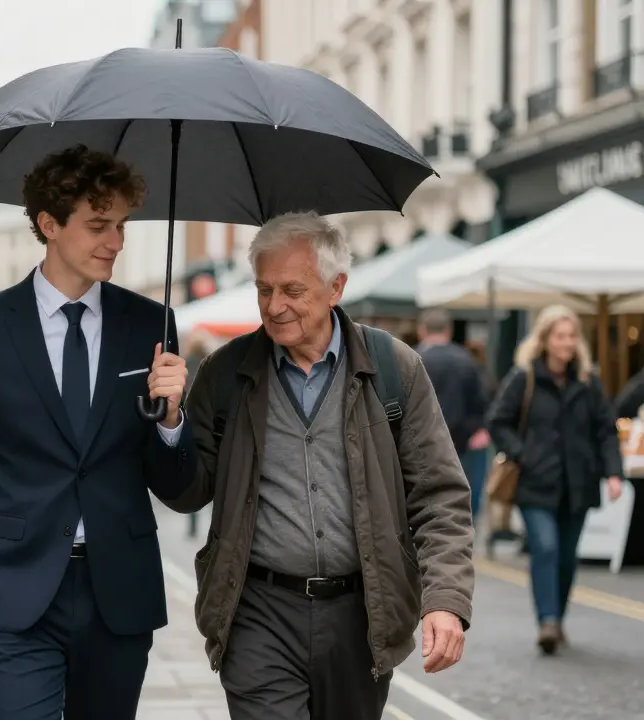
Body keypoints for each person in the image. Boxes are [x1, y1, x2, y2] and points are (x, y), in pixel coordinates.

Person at [0, 145, 193, 720]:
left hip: (119, 592)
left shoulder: (151, 325)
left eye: (121, 226)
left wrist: (170, 418)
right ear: (48, 225)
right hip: (13, 591)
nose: (115, 241)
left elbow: (174, 485)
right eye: (98, 225)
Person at [164, 212, 475, 720]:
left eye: (292, 289)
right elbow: (186, 492)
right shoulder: (225, 374)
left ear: (336, 287)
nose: (274, 305)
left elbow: (440, 494)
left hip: (361, 615)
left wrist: (446, 599)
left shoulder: (395, 369)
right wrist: (170, 425)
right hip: (257, 612)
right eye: (264, 289)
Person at [486, 304, 623, 655]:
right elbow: (498, 421)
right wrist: (521, 453)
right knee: (545, 548)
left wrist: (613, 473)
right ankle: (547, 620)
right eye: (560, 336)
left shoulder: (588, 381)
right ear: (545, 339)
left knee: (565, 557)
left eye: (572, 336)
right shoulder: (525, 377)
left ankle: (557, 618)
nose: (567, 342)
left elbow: (606, 431)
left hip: (578, 484)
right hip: (535, 482)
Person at [416, 308, 492, 517]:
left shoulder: (413, 360)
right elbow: (481, 401)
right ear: (448, 330)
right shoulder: (466, 360)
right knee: (460, 504)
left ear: (422, 330)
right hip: (463, 443)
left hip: (422, 444)